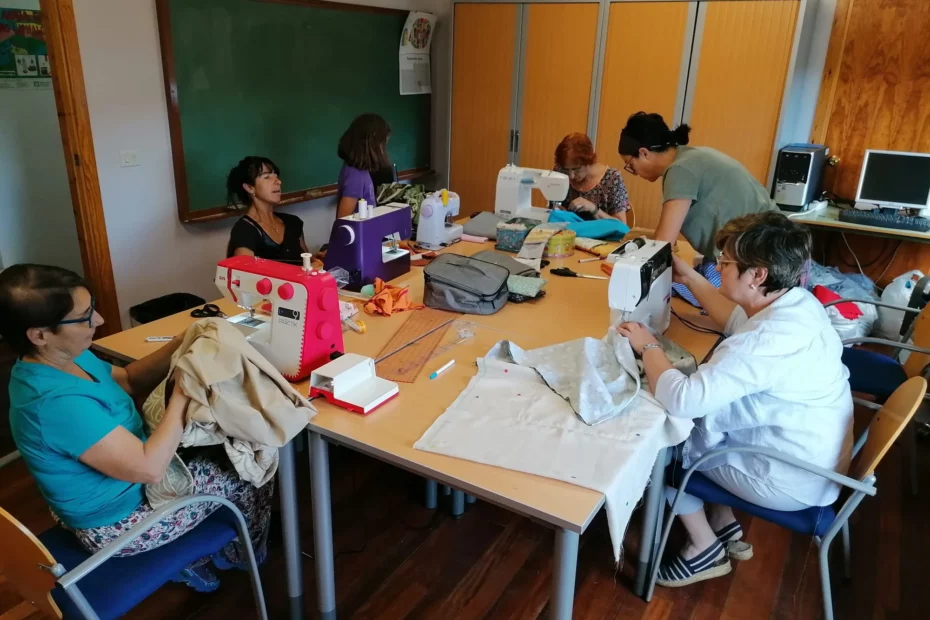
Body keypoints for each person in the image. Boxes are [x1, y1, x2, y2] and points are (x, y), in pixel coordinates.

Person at [1, 264, 273, 593]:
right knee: (249, 466)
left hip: (117, 486)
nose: (98, 321)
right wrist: (184, 393)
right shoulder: (53, 403)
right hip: (118, 524)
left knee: (225, 443)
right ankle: (241, 555)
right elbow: (150, 469)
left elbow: (128, 380)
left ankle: (199, 549)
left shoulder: (63, 357)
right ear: (39, 334)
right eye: (85, 316)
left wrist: (180, 342)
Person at [617, 211, 853, 588]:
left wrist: (647, 346)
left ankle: (702, 547)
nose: (718, 268)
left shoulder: (767, 339)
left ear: (757, 274)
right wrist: (689, 277)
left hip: (790, 480)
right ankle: (724, 522)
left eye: (724, 263)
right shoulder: (795, 305)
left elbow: (682, 398)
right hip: (813, 455)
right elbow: (733, 320)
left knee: (662, 449)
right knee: (708, 426)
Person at [617, 112, 777, 303]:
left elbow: (663, 243)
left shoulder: (680, 170)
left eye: (630, 165)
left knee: (685, 287)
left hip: (758, 261)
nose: (633, 173)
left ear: (643, 153)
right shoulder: (694, 156)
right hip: (768, 248)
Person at [226, 156, 311, 264]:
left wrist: (318, 260)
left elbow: (307, 264)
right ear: (249, 188)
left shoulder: (293, 222)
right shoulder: (244, 230)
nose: (278, 182)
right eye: (267, 177)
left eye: (276, 176)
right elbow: (245, 278)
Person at [554, 132, 631, 223]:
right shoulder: (560, 172)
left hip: (601, 236)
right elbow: (553, 206)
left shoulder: (612, 178)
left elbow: (621, 224)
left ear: (589, 161)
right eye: (567, 170)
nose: (571, 176)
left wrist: (594, 209)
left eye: (577, 169)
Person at [336, 113, 391, 218]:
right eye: (382, 144)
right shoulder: (355, 174)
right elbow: (343, 220)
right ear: (371, 144)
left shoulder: (360, 170)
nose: (383, 151)